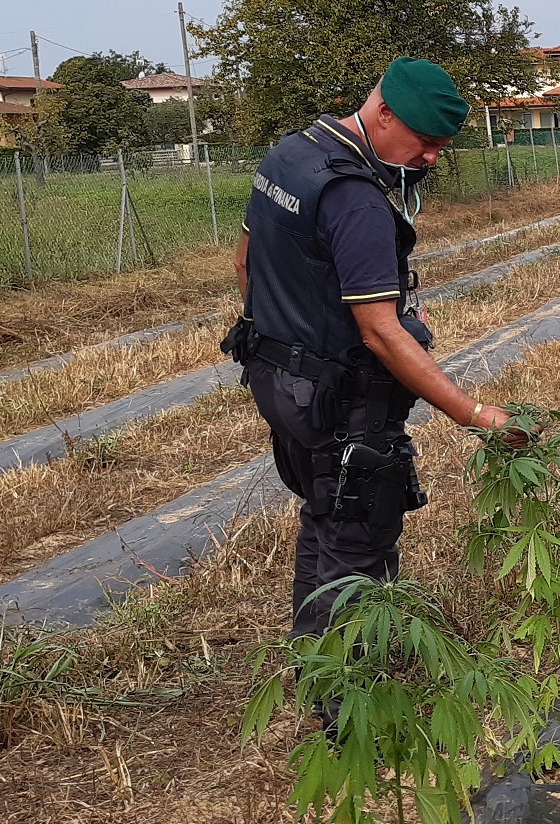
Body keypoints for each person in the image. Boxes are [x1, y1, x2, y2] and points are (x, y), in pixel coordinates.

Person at [225, 57, 526, 640]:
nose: (432, 158)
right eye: (426, 142)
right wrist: (477, 416)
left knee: (323, 521)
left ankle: (315, 673)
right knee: (358, 552)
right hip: (339, 401)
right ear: (383, 113)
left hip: (279, 381)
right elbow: (378, 332)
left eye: (441, 145)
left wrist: (294, 334)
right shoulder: (355, 197)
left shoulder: (291, 154)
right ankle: (348, 717)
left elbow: (245, 263)